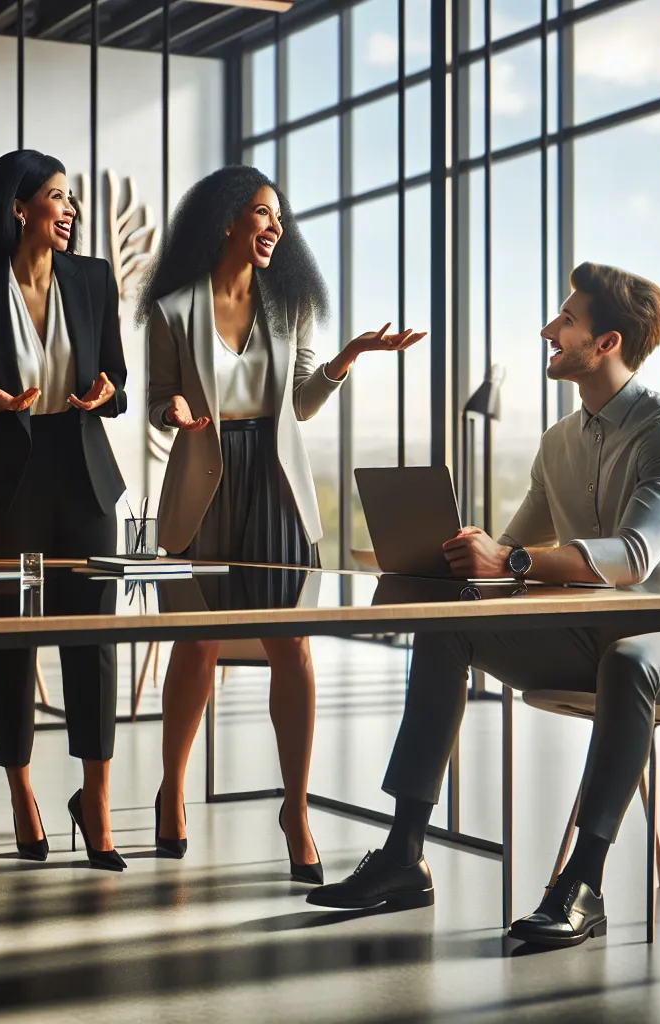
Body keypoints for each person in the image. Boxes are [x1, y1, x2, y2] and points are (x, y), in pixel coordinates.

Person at [308, 263, 660, 947]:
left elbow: (633, 556)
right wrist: (448, 553)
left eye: (565, 320)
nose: (547, 330)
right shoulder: (559, 441)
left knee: (632, 661)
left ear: (606, 343)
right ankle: (403, 857)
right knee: (446, 632)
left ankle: (583, 884)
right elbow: (516, 546)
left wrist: (507, 560)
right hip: (587, 636)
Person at [142, 165, 424, 881]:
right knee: (195, 643)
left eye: (279, 218)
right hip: (204, 483)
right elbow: (158, 400)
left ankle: (294, 808)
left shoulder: (289, 304)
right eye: (262, 214)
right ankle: (172, 787)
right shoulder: (174, 309)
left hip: (273, 484)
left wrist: (346, 359)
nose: (275, 227)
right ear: (227, 219)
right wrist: (172, 411)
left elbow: (298, 403)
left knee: (290, 645)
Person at [0, 149, 130, 870]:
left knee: (94, 639)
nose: (70, 210)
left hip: (82, 473)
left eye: (71, 198)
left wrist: (105, 394)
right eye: (57, 197)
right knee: (10, 634)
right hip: (14, 475)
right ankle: (21, 791)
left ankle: (98, 800)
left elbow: (120, 378)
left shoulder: (93, 279)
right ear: (19, 208)